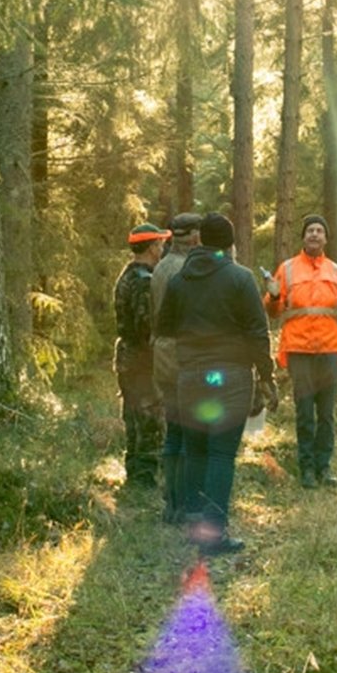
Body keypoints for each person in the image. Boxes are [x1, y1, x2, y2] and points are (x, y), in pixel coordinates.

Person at [156, 213, 278, 555]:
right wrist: (266, 377)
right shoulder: (239, 278)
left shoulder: (180, 280)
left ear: (199, 241)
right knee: (222, 454)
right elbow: (257, 332)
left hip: (191, 375)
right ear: (230, 244)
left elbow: (165, 327)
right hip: (230, 377)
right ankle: (215, 534)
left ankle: (196, 526)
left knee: (195, 450)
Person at [265, 214, 337, 489]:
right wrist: (272, 295)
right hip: (299, 348)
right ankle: (306, 468)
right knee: (305, 411)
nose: (315, 234)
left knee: (327, 414)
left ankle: (324, 467)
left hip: (329, 347)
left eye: (320, 230)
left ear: (326, 238)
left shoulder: (336, 271)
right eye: (310, 231)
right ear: (303, 237)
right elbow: (273, 311)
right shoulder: (288, 269)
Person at [151, 212, 202, 523]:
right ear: (194, 237)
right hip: (185, 356)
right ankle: (185, 502)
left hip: (163, 354)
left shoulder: (161, 267)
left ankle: (171, 500)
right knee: (189, 432)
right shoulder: (188, 270)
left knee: (173, 431)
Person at [113, 222, 171, 489]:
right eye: (159, 244)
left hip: (127, 357)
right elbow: (146, 326)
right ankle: (144, 478)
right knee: (149, 420)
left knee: (133, 417)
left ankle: (135, 473)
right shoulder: (145, 282)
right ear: (151, 247)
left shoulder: (126, 275)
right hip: (143, 360)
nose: (163, 248)